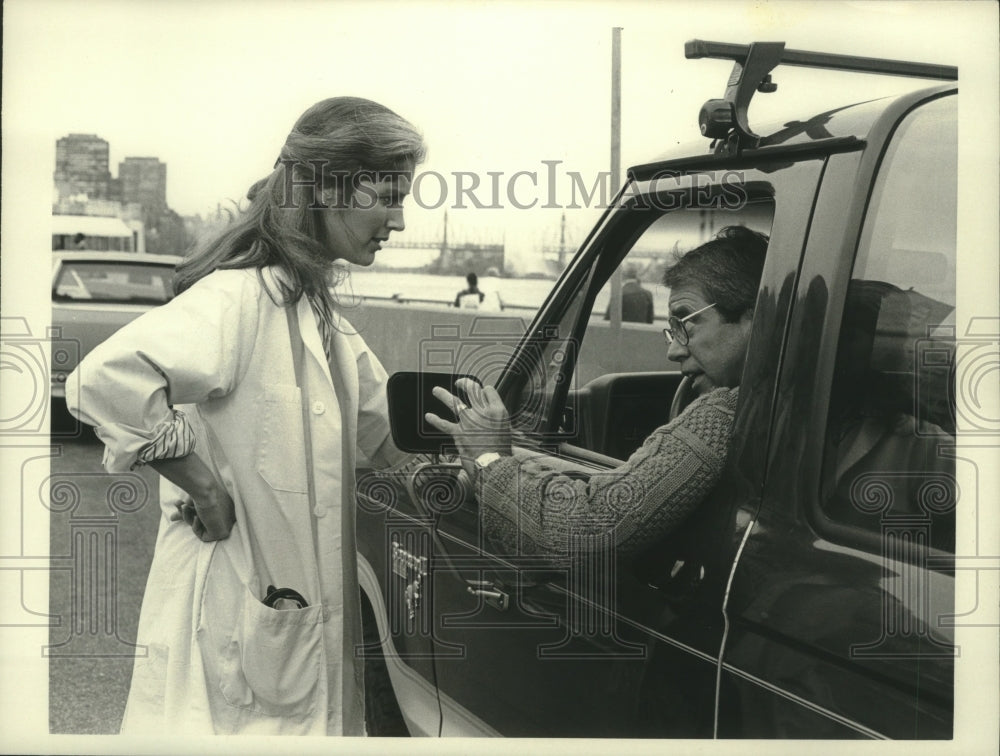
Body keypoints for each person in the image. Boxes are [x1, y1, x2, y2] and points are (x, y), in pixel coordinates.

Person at [65, 97, 425, 735]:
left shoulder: (317, 315)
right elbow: (105, 380)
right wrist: (202, 487)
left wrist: (489, 448)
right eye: (388, 196)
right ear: (326, 188)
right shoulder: (242, 296)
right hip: (240, 615)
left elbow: (388, 430)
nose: (399, 220)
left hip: (288, 629)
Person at [426, 226, 768, 562]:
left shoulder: (725, 412)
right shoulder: (782, 405)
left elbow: (588, 527)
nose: (673, 352)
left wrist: (488, 460)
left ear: (756, 320)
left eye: (685, 323)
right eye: (671, 331)